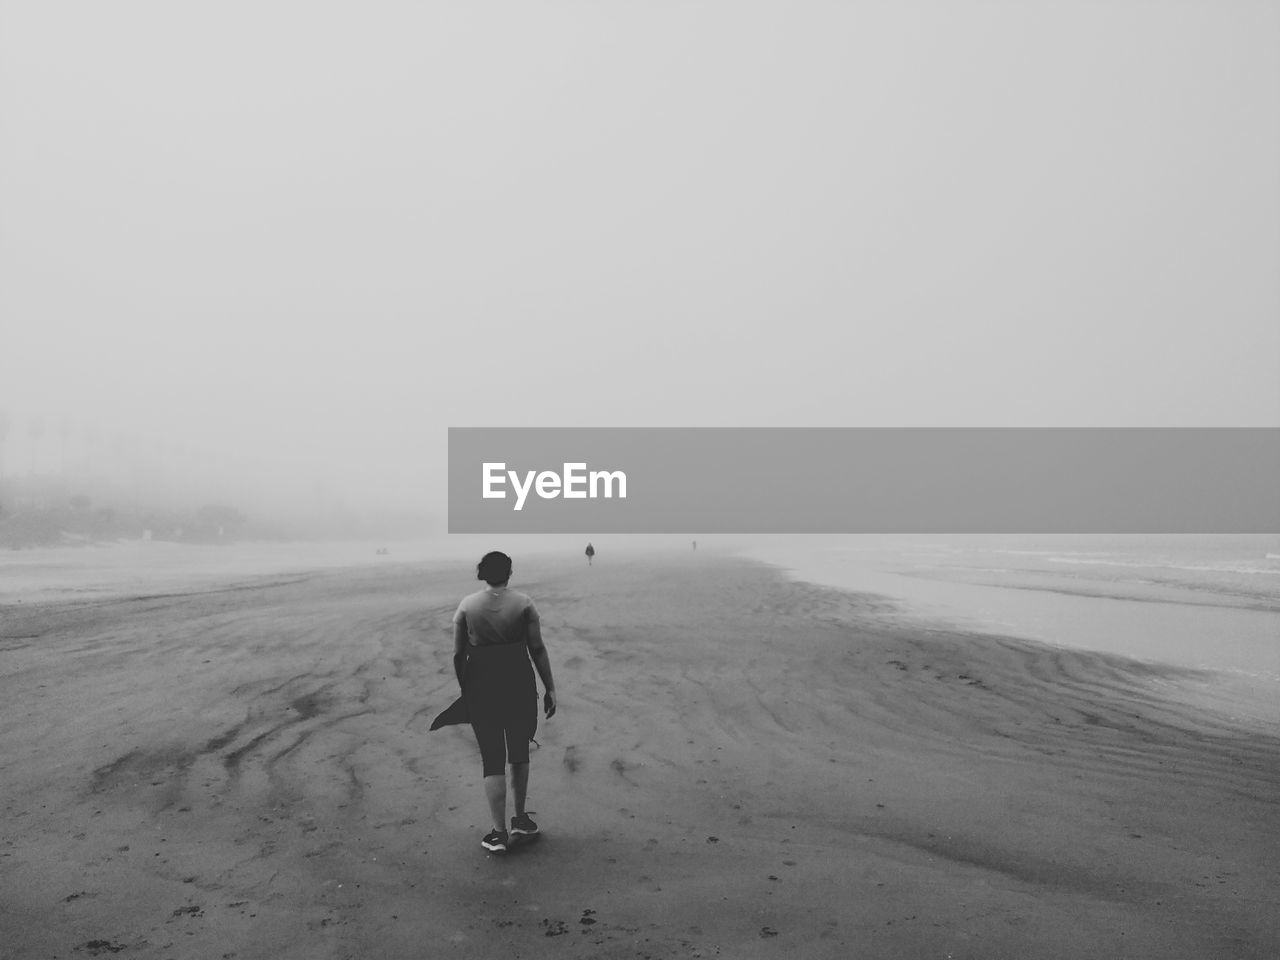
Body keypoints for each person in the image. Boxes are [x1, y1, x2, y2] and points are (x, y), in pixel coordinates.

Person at [446, 551, 556, 854]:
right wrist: (550, 688)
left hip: (483, 682)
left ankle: (498, 834)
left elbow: (458, 654)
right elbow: (537, 648)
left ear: (483, 573)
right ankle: (521, 819)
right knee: (519, 752)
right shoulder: (524, 604)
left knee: (492, 758)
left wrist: (465, 686)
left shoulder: (467, 606)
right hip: (518, 679)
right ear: (510, 572)